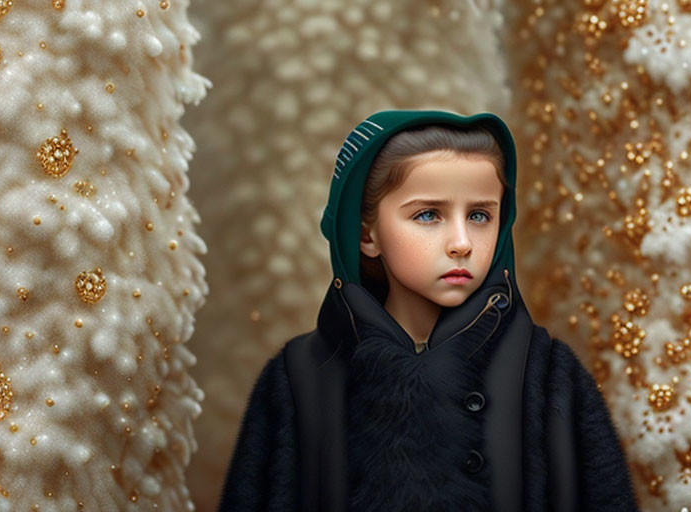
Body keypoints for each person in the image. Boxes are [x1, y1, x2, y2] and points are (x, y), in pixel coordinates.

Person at [218, 109, 639, 511]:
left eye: (479, 215)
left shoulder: (548, 374)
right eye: (428, 215)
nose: (462, 242)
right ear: (367, 235)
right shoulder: (299, 377)